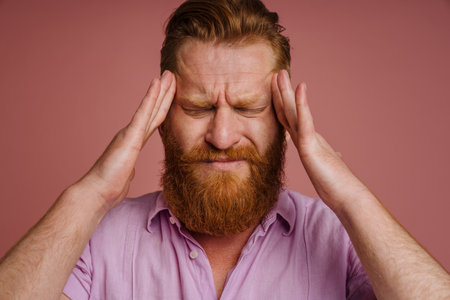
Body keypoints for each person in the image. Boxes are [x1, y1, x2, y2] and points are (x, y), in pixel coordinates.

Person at [0, 0, 449, 299]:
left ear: (283, 118)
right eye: (197, 107)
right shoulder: (97, 242)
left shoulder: (340, 239)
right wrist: (92, 193)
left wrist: (350, 195)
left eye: (248, 107)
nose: (222, 135)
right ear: (160, 118)